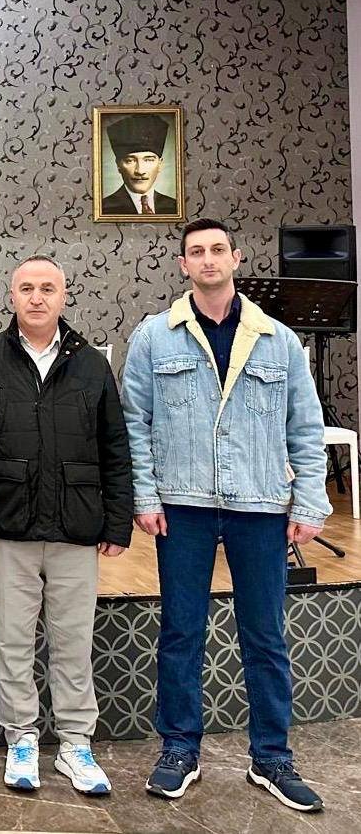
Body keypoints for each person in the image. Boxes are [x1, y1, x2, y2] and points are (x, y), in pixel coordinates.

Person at [122, 218, 329, 813]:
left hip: (260, 506)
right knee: (181, 631)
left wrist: (310, 502)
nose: (208, 259)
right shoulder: (154, 336)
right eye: (196, 252)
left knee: (265, 635)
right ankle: (179, 750)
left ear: (236, 258)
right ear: (183, 265)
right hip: (182, 505)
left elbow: (305, 427)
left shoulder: (279, 340)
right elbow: (135, 422)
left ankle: (272, 758)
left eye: (218, 249)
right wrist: (145, 496)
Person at [0, 255, 133, 795]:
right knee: (12, 643)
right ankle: (22, 739)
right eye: (27, 288)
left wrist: (118, 521)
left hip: (76, 525)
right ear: (11, 296)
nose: (37, 298)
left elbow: (115, 445)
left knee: (73, 643)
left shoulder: (91, 365)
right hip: (7, 524)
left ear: (64, 296)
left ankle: (76, 744)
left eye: (48, 288)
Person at [100, 114, 178, 216]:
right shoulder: (104, 209)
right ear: (118, 165)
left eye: (148, 160)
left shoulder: (175, 207)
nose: (140, 171)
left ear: (160, 164)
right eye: (130, 161)